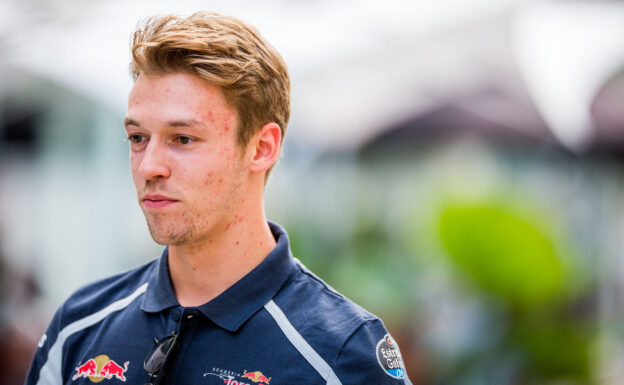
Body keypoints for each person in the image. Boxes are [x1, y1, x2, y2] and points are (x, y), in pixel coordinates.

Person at [24, 11, 412, 385]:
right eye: (138, 138)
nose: (149, 167)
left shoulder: (342, 354)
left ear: (261, 148)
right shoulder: (79, 326)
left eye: (183, 139)